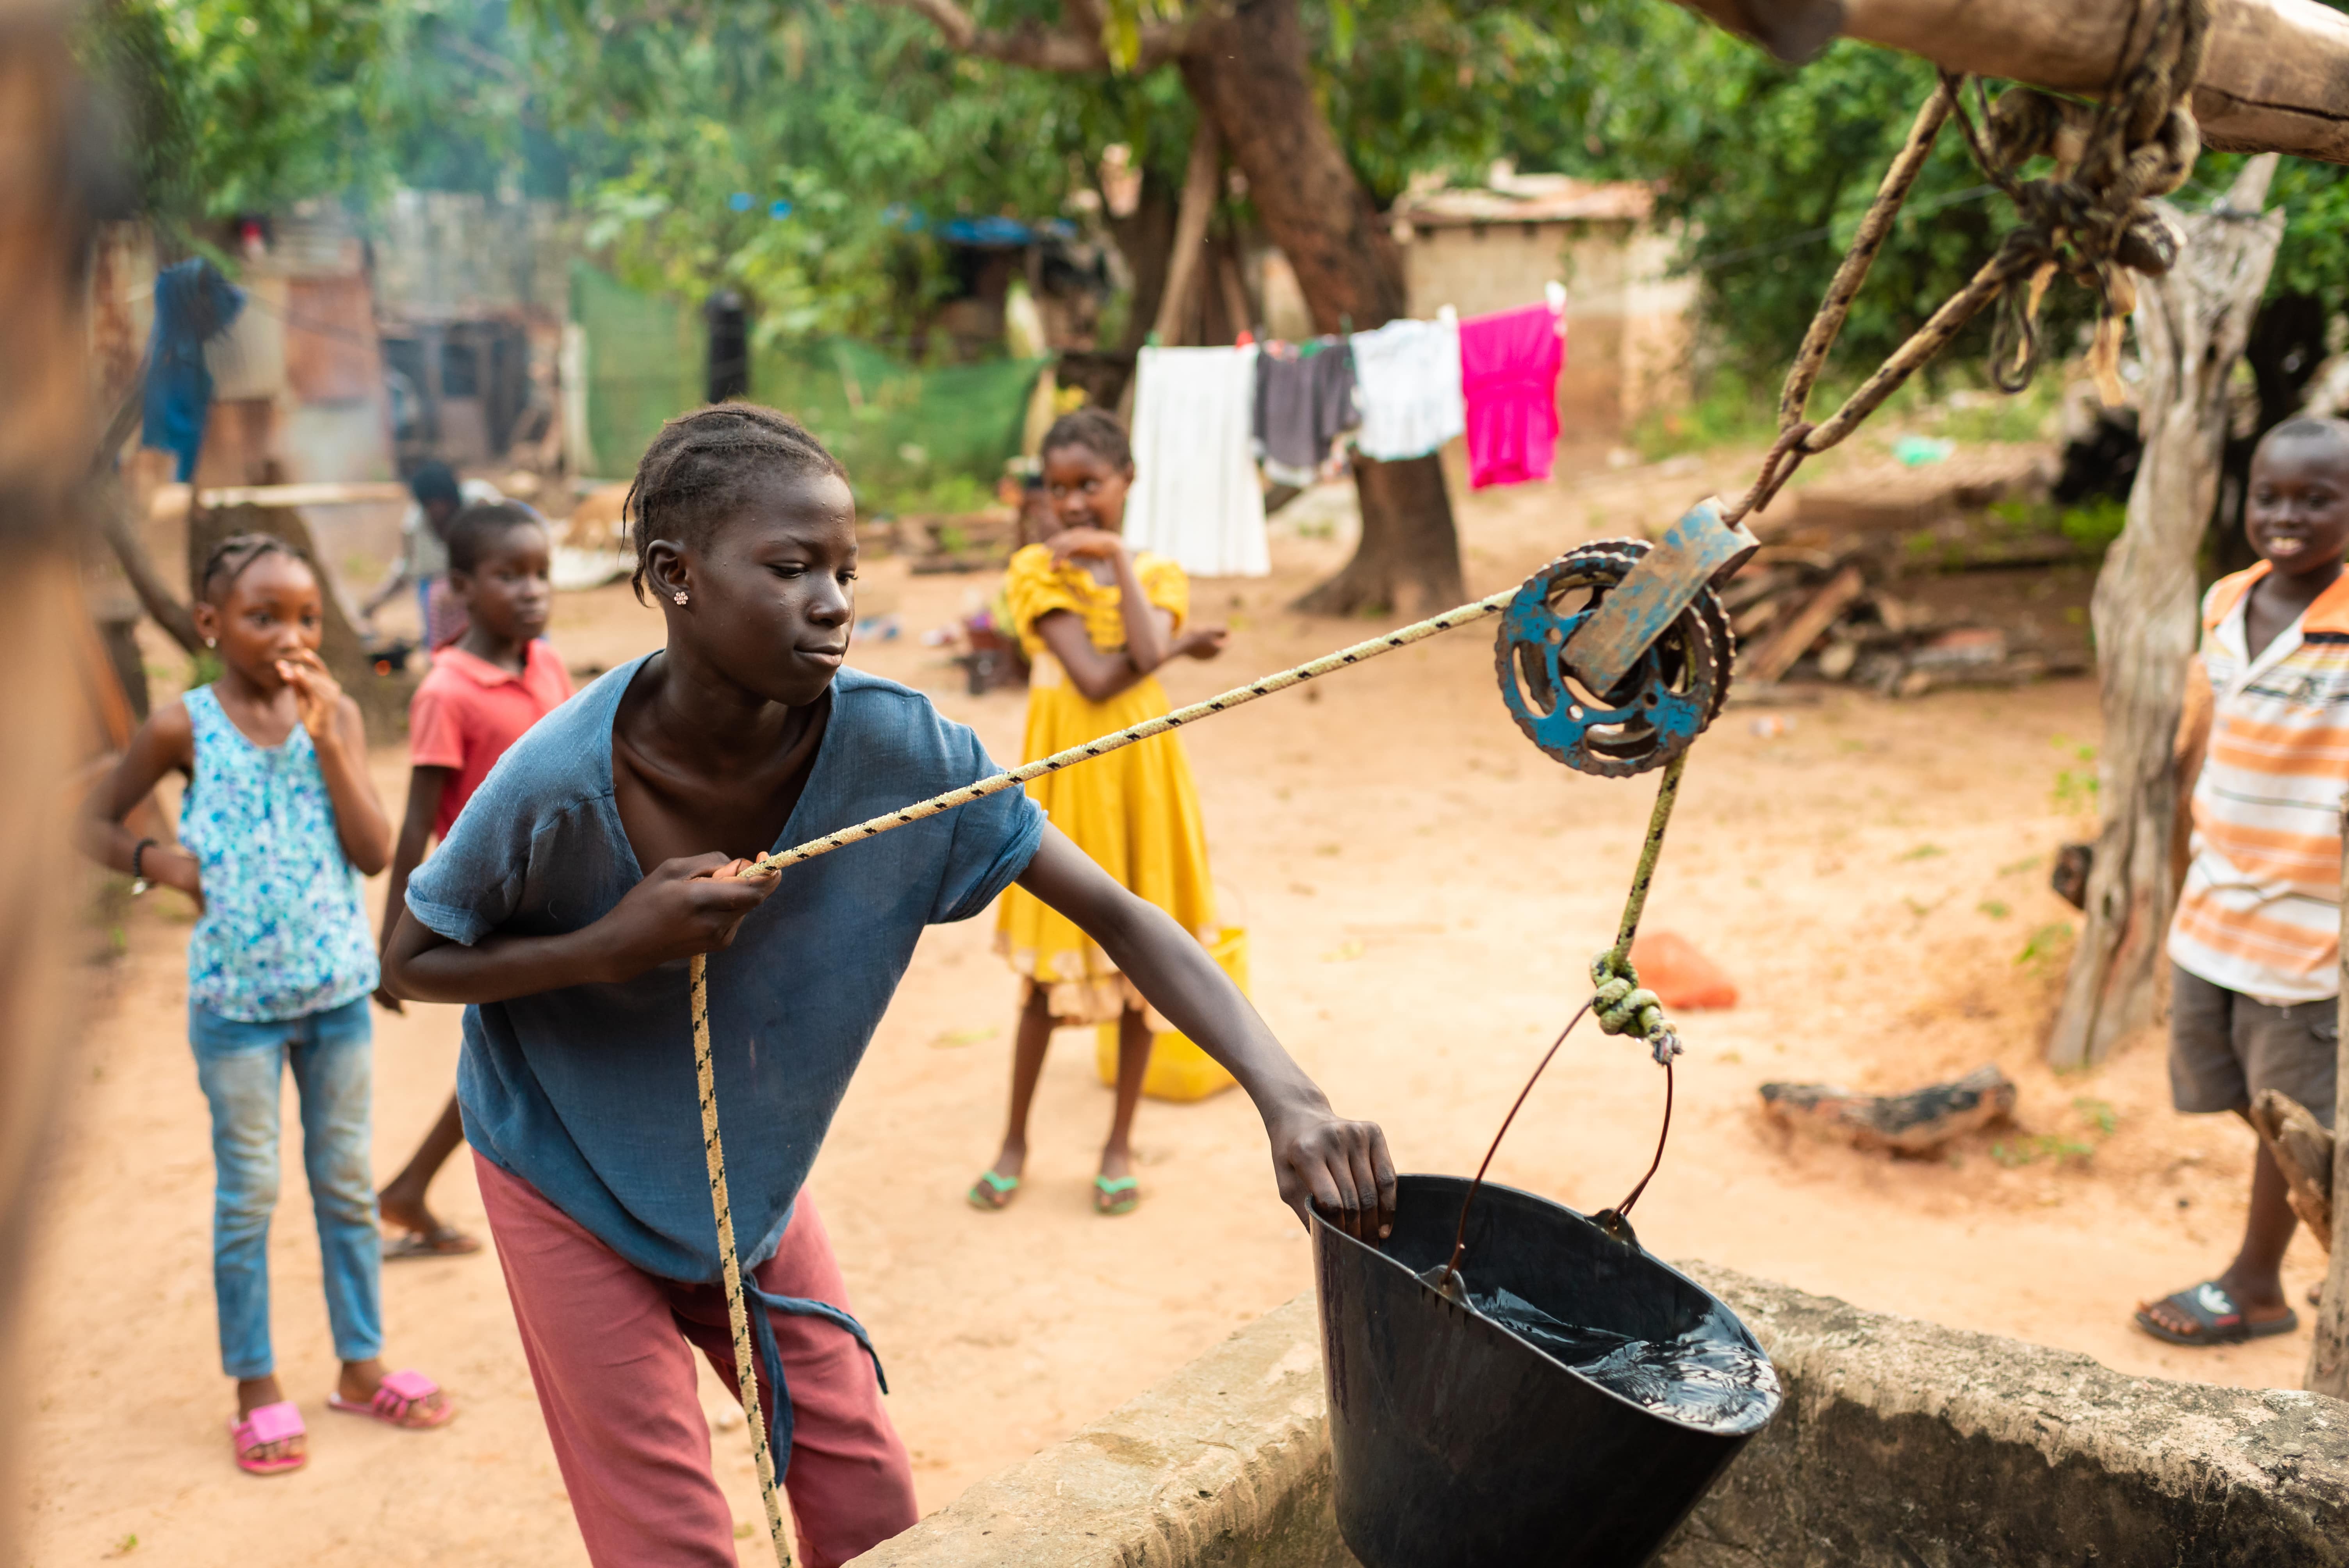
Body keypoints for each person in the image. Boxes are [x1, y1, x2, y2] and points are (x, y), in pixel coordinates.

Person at [379, 403, 1392, 1568]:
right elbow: (411, 959)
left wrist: (1289, 1094)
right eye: (791, 566)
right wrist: (614, 941)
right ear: (676, 575)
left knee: (866, 1497)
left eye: (846, 570)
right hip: (560, 1169)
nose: (834, 601)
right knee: (668, 1534)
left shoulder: (903, 756)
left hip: (745, 1183)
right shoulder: (554, 780)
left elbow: (1120, 914)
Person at [86, 534, 455, 1477]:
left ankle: (361, 1365)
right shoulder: (183, 726)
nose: (289, 636)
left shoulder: (323, 717)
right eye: (262, 616)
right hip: (235, 1008)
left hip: (335, 995)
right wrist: (156, 862)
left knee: (342, 1183)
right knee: (248, 1194)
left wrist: (334, 736)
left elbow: (376, 852)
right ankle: (254, 1383)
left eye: (305, 618)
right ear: (210, 625)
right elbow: (91, 816)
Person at [970, 409, 1229, 1218]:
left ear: (1126, 483)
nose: (1075, 503)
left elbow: (1142, 658)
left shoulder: (1154, 571)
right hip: (1069, 783)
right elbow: (1092, 678)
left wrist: (1119, 561)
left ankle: (1117, 1146)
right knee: (1047, 983)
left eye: (1093, 485)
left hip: (1143, 778)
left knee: (1143, 968)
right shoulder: (1031, 572)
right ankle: (1014, 1139)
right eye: (1059, 487)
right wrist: (1181, 648)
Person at [2139, 417, 2349, 1347]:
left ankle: (2256, 1281)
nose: (2286, 516)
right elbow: (2207, 731)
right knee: (2224, 1081)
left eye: (2316, 499)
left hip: (2308, 917)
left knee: (2290, 1112)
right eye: (2269, 495)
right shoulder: (2226, 601)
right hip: (2215, 902)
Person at [372, 500, 573, 1260]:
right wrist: (393, 942)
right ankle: (417, 1186)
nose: (531, 591)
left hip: (560, 897)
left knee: (518, 1054)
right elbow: (417, 823)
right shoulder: (445, 692)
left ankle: (410, 1187)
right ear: (460, 585)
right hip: (496, 910)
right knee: (519, 1054)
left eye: (541, 574)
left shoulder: (547, 663)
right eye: (509, 575)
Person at [361, 461, 503, 649]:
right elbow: (407, 569)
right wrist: (377, 600)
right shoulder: (415, 528)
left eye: (445, 502)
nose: (439, 510)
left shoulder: (480, 503)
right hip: (443, 599)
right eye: (431, 505)